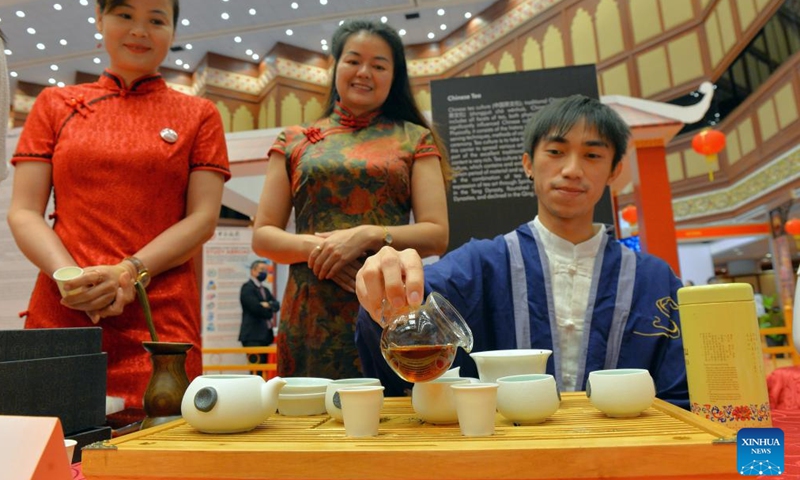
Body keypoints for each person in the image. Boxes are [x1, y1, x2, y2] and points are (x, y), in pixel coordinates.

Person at [354, 95, 689, 408]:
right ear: (528, 164)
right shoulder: (481, 265)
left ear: (614, 171)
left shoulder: (654, 279)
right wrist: (387, 285)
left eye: (592, 155)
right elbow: (397, 321)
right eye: (556, 152)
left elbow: (681, 397)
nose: (572, 170)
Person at [7, 0, 230, 409]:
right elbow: (23, 211)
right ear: (100, 20)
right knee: (56, 444)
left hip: (158, 315)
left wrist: (129, 273)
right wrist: (68, 277)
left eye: (156, 20)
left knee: (162, 448)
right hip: (65, 309)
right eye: (125, 15)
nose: (139, 31)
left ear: (173, 32)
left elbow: (202, 218)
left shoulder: (199, 113)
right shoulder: (54, 105)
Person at [252, 19, 450, 379]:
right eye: (354, 60)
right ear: (335, 67)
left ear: (395, 76)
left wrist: (368, 235)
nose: (364, 72)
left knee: (391, 420)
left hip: (387, 306)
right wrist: (325, 251)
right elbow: (263, 235)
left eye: (379, 65)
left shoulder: (415, 138)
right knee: (309, 423)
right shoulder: (293, 139)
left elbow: (436, 234)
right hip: (309, 311)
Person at [238, 260, 280, 371]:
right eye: (261, 270)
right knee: (256, 370)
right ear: (253, 271)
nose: (264, 272)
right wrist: (268, 310)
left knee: (264, 370)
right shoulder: (247, 288)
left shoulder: (265, 290)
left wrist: (268, 305)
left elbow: (276, 305)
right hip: (253, 336)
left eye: (265, 270)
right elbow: (255, 308)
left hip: (265, 336)